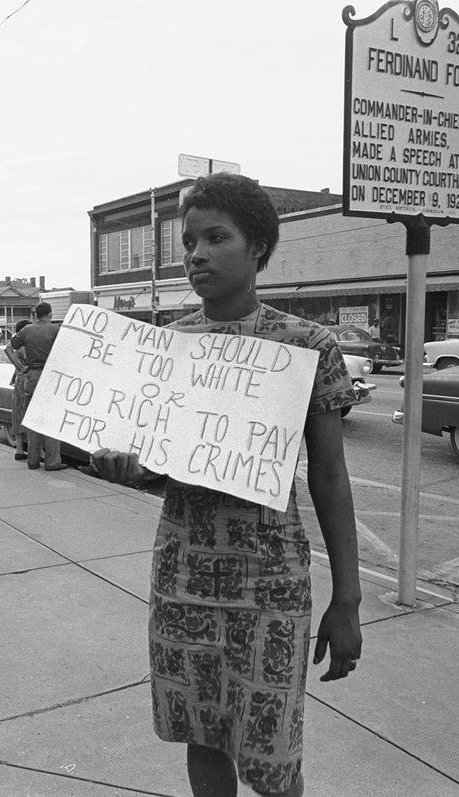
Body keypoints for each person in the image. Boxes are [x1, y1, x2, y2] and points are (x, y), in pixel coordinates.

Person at [91, 174, 362, 797]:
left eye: (217, 238)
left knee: (272, 758)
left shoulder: (306, 347)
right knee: (203, 735)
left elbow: (328, 476)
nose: (197, 255)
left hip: (269, 583)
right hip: (183, 575)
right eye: (190, 242)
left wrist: (346, 599)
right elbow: (162, 457)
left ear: (259, 248)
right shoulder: (168, 346)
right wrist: (129, 468)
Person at [10, 303, 66, 471]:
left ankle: (33, 460)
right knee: (51, 421)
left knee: (34, 419)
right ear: (49, 313)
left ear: (36, 314)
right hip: (50, 377)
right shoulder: (55, 330)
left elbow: (8, 349)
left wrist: (20, 367)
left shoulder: (26, 330)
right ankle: (52, 461)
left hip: (31, 378)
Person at [4, 319, 32, 461]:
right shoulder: (26, 345)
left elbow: (15, 363)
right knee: (30, 414)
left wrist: (18, 369)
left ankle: (19, 449)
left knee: (18, 414)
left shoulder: (17, 346)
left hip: (19, 381)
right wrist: (22, 368)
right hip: (28, 380)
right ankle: (37, 450)